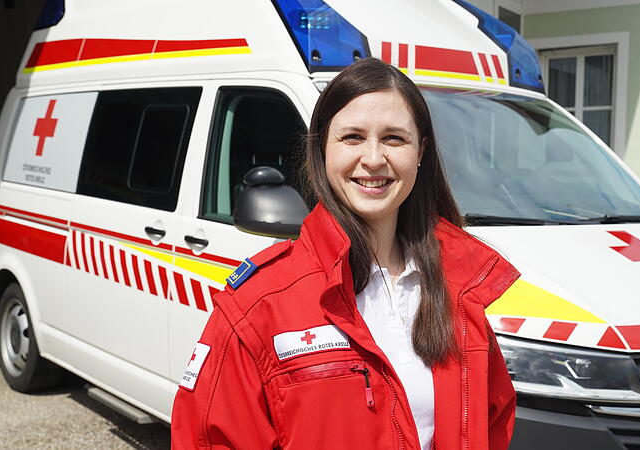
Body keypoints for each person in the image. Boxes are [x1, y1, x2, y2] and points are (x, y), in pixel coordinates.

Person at [171, 58, 520, 450]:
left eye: (394, 138)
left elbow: (493, 422)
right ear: (322, 148)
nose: (373, 158)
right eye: (352, 137)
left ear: (420, 151)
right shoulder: (259, 303)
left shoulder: (459, 288)